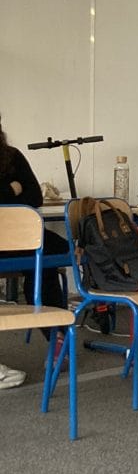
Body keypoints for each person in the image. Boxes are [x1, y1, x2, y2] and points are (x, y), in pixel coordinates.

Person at [0, 114, 70, 357]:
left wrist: (9, 193)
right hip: (14, 243)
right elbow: (24, 194)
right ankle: (57, 334)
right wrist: (11, 188)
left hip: (20, 240)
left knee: (54, 252)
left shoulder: (11, 156)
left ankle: (57, 336)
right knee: (46, 258)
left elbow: (34, 197)